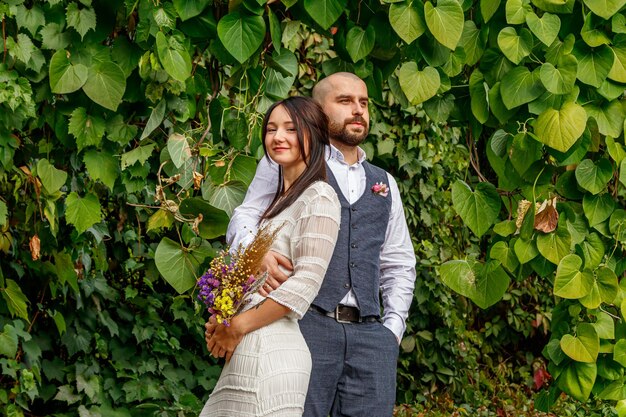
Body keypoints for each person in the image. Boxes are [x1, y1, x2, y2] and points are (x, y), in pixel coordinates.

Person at [212, 72, 417, 416]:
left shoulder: (385, 183)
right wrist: (255, 251)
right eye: (345, 101)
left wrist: (391, 331)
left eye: (363, 103)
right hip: (306, 325)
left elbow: (398, 261)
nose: (358, 110)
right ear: (318, 112)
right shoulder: (289, 159)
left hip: (371, 337)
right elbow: (245, 214)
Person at [200, 96, 341, 416]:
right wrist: (221, 321)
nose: (278, 136)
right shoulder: (278, 204)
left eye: (291, 128)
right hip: (251, 342)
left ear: (315, 135)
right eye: (272, 128)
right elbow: (255, 280)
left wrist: (238, 325)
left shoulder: (320, 195)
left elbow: (306, 282)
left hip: (272, 348)